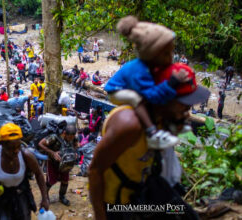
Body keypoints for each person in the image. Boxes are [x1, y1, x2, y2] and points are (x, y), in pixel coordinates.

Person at [88, 63, 208, 220]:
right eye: (184, 103)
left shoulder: (160, 118)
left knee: (184, 214)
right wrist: (100, 216)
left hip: (142, 194)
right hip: (119, 207)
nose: (188, 109)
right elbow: (95, 171)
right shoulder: (129, 124)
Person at [104, 16, 190, 150]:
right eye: (166, 53)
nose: (171, 57)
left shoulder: (152, 67)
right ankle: (152, 133)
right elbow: (151, 95)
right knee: (137, 99)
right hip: (117, 90)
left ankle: (173, 121)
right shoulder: (139, 71)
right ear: (152, 54)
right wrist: (172, 82)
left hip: (136, 87)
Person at [0, 123, 49, 219]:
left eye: (18, 146)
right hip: (0, 197)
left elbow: (38, 174)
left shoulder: (26, 155)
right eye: (11, 148)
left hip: (21, 195)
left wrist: (45, 198)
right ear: (2, 145)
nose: (16, 151)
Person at [39, 125, 78, 206]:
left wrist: (74, 152)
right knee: (51, 181)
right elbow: (40, 144)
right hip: (52, 162)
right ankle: (45, 197)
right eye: (69, 137)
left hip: (65, 162)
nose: (71, 139)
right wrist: (53, 153)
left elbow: (76, 145)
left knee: (65, 180)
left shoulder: (74, 138)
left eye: (72, 137)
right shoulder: (54, 137)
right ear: (64, 133)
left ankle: (62, 196)